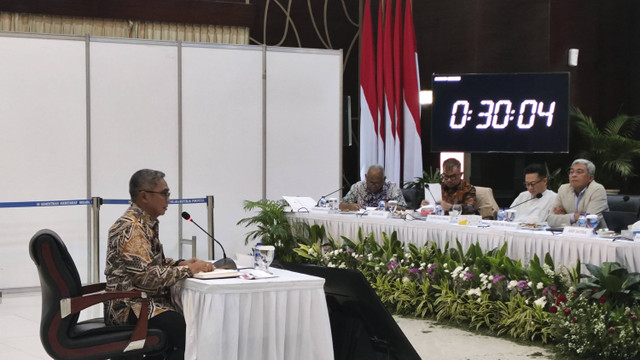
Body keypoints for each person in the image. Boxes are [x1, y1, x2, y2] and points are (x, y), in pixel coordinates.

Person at [104, 169, 212, 360]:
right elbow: (145, 278)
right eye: (164, 194)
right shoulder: (132, 227)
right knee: (192, 336)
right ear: (144, 196)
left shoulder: (144, 222)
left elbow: (152, 263)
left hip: (143, 302)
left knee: (193, 327)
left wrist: (180, 263)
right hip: (130, 307)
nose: (168, 199)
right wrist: (188, 270)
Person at [547, 159, 609, 228]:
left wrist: (565, 218)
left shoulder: (597, 190)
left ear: (590, 178)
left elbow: (589, 223)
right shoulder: (563, 189)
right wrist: (574, 216)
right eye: (571, 172)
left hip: (594, 236)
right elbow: (550, 220)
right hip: (566, 235)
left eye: (579, 172)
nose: (573, 175)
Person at [340, 165, 406, 211]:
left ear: (384, 179)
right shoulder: (358, 186)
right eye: (371, 182)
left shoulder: (392, 187)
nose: (373, 185)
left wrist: (389, 206)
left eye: (377, 183)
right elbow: (341, 205)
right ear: (366, 177)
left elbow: (404, 208)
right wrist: (350, 206)